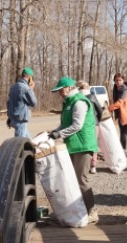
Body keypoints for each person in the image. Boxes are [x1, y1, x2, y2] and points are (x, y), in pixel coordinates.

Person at [49, 76, 99, 223]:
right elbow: (65, 124)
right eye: (58, 91)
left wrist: (59, 134)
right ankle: (78, 209)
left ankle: (92, 212)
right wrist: (52, 132)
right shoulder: (68, 103)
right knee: (72, 179)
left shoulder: (79, 102)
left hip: (83, 145)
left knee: (81, 179)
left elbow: (77, 125)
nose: (60, 93)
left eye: (61, 90)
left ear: (70, 88)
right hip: (73, 146)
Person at [109, 73, 127, 158]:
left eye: (120, 80)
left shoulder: (125, 90)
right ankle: (123, 151)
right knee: (122, 133)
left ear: (123, 80)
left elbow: (119, 102)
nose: (118, 82)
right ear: (114, 81)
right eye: (116, 80)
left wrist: (110, 108)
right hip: (122, 115)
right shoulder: (116, 90)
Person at [77, 80, 103, 174]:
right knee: (90, 145)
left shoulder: (82, 98)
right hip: (88, 124)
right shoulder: (86, 97)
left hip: (87, 125)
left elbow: (99, 111)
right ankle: (90, 165)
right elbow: (100, 110)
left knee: (88, 144)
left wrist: (97, 121)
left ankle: (89, 165)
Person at [6, 67, 37, 138]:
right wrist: (31, 89)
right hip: (21, 120)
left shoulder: (13, 87)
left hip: (14, 119)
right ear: (30, 78)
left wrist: (9, 117)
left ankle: (32, 148)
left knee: (29, 142)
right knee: (20, 143)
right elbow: (34, 103)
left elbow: (9, 103)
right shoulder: (25, 88)